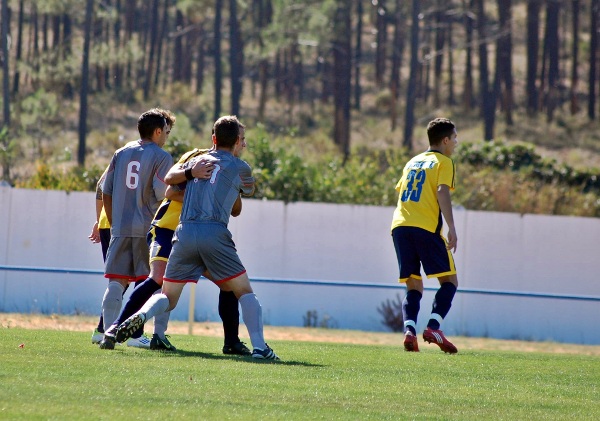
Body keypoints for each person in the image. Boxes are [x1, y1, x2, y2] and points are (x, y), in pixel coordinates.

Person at [115, 115, 279, 360]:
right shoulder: (240, 167)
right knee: (244, 291)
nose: (244, 144)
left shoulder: (196, 161)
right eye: (242, 140)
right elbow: (242, 198)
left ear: (214, 138)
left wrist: (193, 174)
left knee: (167, 296)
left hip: (184, 233)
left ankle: (143, 315)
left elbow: (171, 182)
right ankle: (260, 348)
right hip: (214, 232)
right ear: (236, 141)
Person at [100, 145, 250, 355]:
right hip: (169, 227)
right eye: (241, 139)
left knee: (228, 285)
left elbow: (236, 210)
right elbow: (170, 189)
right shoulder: (198, 157)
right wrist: (199, 191)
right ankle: (114, 328)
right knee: (158, 278)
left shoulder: (232, 168)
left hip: (198, 235)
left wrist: (232, 188)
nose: (243, 145)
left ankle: (229, 342)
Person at [97, 108, 174, 349]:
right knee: (151, 282)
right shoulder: (162, 157)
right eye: (166, 132)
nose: (166, 136)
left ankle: (107, 333)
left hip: (120, 228)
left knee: (116, 282)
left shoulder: (121, 153)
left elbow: (105, 190)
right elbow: (163, 193)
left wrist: (114, 222)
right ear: (158, 131)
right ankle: (141, 336)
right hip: (147, 229)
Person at [390, 117, 459, 354]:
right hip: (425, 228)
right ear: (445, 140)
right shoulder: (444, 162)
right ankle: (433, 327)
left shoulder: (412, 162)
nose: (456, 142)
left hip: (400, 226)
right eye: (455, 138)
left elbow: (402, 192)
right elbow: (441, 190)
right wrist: (451, 226)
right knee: (450, 282)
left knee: (413, 285)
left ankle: (409, 331)